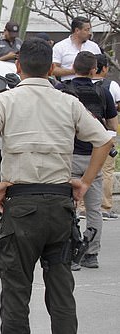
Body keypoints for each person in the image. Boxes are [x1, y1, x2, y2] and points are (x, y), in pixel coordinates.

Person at [0, 38, 113, 334]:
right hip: (60, 207)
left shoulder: (5, 100)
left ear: (18, 67)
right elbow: (104, 140)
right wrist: (83, 182)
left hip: (21, 207)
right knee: (62, 294)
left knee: (16, 292)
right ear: (52, 68)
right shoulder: (68, 102)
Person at [57, 51, 118, 270]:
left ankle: (70, 253)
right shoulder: (103, 93)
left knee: (68, 208)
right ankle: (90, 254)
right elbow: (112, 125)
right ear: (94, 70)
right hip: (94, 158)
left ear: (73, 66)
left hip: (68, 156)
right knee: (93, 209)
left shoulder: (62, 91)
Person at [93, 53, 120, 220]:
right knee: (106, 171)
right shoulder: (112, 86)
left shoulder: (76, 85)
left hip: (82, 136)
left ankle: (81, 207)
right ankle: (104, 207)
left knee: (81, 169)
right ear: (104, 68)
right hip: (106, 135)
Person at [52, 16, 101, 82]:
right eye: (86, 30)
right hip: (68, 87)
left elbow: (101, 67)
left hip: (92, 87)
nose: (89, 33)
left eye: (90, 30)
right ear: (77, 30)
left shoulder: (94, 46)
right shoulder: (60, 47)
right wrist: (73, 71)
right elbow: (53, 69)